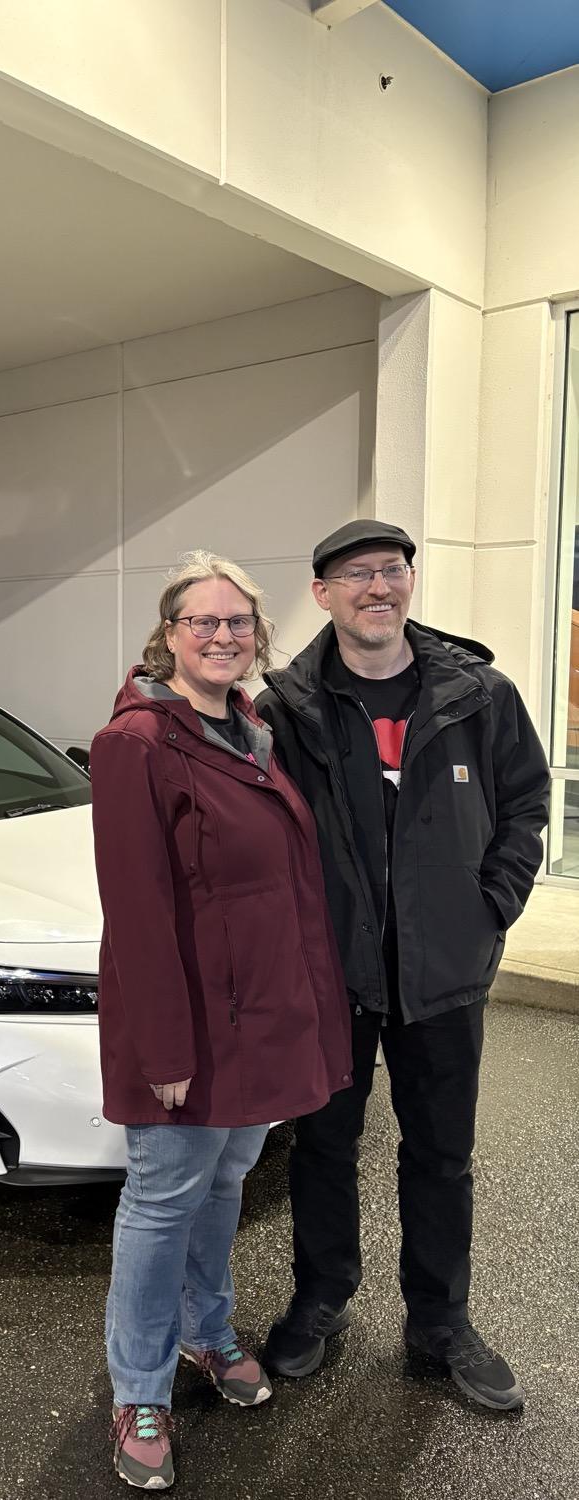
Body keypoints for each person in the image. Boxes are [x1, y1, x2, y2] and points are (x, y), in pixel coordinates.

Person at [255, 519, 550, 1412]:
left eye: (391, 570)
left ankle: (439, 1320)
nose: (376, 588)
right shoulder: (287, 710)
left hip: (444, 975)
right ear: (323, 594)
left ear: (411, 581)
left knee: (442, 1155)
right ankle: (320, 1299)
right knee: (324, 1147)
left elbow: (527, 803)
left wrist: (486, 908)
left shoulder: (477, 692)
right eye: (355, 575)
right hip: (333, 975)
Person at [90, 551, 353, 1490]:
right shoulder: (136, 745)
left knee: (225, 1180)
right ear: (168, 635)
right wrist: (162, 1045)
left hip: (262, 1018)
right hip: (190, 1028)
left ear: (258, 637)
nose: (222, 636)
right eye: (202, 621)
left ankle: (206, 1333)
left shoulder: (252, 728)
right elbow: (138, 909)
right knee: (162, 1198)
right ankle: (139, 1388)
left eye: (238, 622)